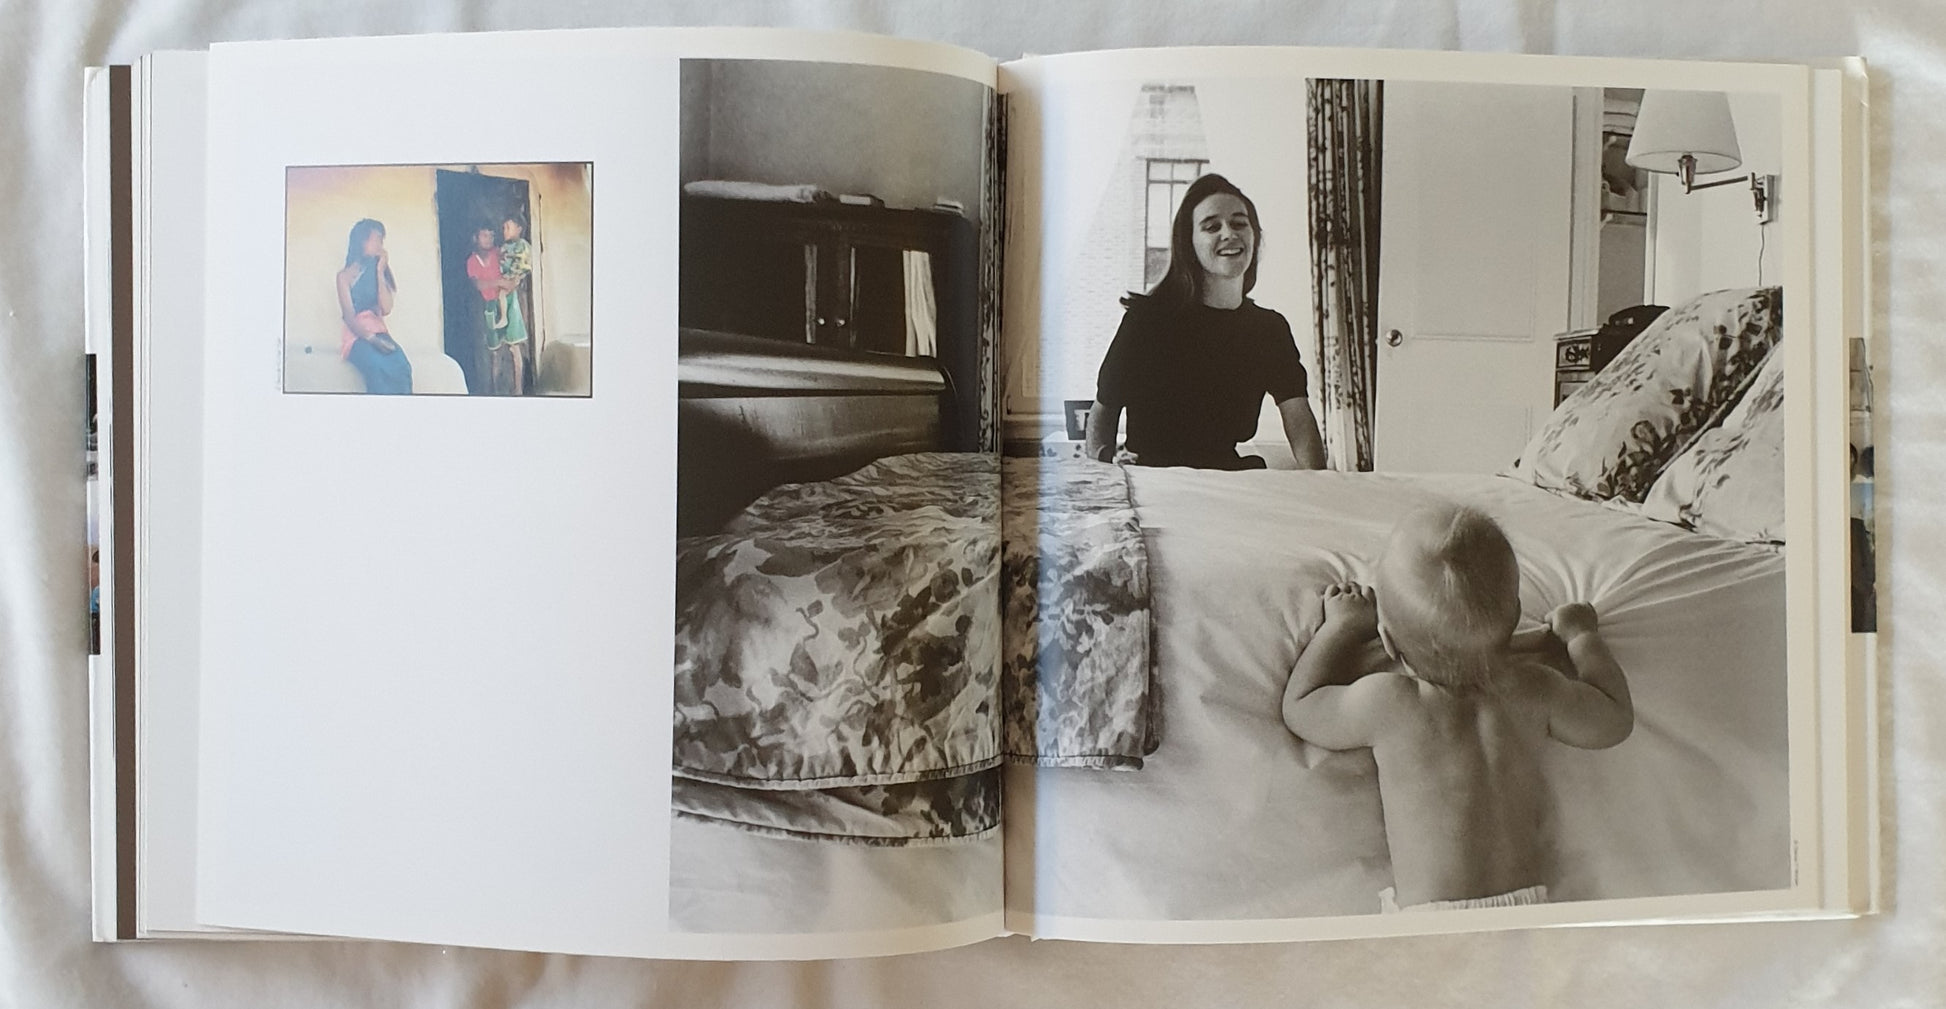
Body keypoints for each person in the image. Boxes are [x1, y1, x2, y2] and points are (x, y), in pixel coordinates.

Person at [1280, 503, 1634, 913]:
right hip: (1527, 914)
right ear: (1515, 617)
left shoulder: (1389, 702)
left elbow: (1300, 706)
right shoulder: (1535, 690)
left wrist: (1340, 628)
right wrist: (1582, 637)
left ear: (1387, 642)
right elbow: (1614, 719)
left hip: (1433, 923)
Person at [1084, 172, 1325, 470]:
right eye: (1212, 227)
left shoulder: (1270, 329)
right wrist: (1106, 469)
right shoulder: (1146, 321)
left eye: (1239, 223)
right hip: (1155, 480)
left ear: (1254, 237)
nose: (1229, 233)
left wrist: (1319, 484)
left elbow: (1299, 420)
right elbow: (1103, 412)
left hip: (1230, 480)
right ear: (1190, 244)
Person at [335, 219, 413, 394]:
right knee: (377, 366)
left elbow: (386, 308)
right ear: (361, 241)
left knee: (401, 366)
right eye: (375, 239)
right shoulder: (344, 277)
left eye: (381, 241)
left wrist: (379, 271)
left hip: (381, 334)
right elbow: (349, 317)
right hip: (358, 338)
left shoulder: (378, 273)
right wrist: (371, 339)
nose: (379, 245)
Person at [497, 214, 534, 394]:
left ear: (519, 229)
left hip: (516, 297)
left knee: (516, 346)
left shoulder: (522, 247)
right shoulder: (504, 248)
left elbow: (523, 266)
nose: (505, 231)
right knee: (501, 348)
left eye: (508, 227)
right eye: (504, 228)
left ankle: (519, 388)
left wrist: (514, 278)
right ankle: (502, 387)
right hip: (504, 291)